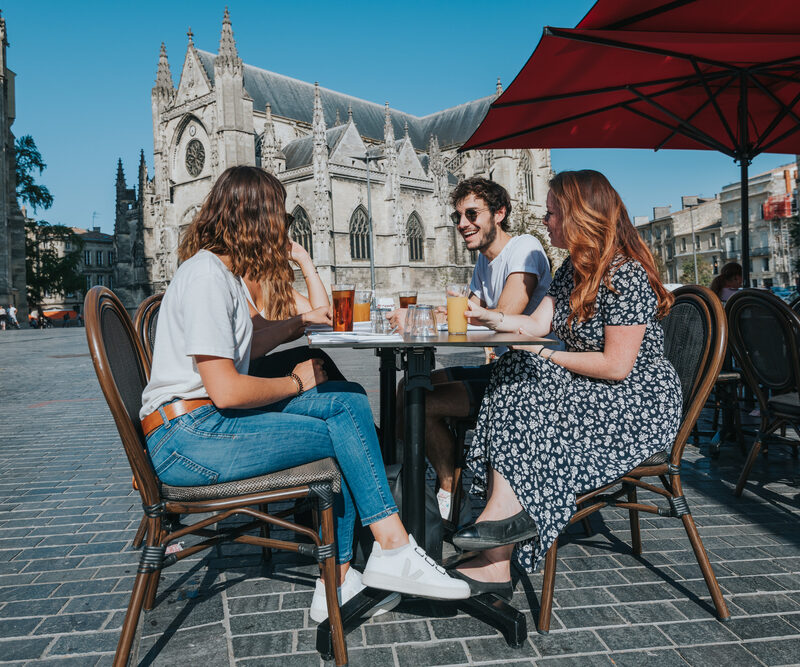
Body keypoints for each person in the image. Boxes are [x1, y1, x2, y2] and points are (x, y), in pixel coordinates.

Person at [139, 166, 469, 622]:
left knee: (348, 401)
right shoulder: (206, 278)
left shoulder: (221, 275)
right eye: (279, 215)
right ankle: (379, 556)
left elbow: (247, 345)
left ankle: (350, 572)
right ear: (254, 217)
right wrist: (296, 383)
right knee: (343, 429)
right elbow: (228, 391)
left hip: (199, 427)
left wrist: (299, 323)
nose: (284, 225)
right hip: (188, 439)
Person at [448, 170, 682, 600]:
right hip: (590, 387)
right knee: (515, 371)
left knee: (526, 372)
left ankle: (499, 526)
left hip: (635, 404)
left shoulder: (625, 273)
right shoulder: (573, 267)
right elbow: (536, 324)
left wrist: (544, 354)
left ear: (579, 215)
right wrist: (490, 318)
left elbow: (616, 366)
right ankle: (501, 530)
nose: (544, 219)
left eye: (552, 212)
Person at [389, 177, 551, 523]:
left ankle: (449, 492)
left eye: (472, 214)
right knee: (408, 388)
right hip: (503, 369)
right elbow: (463, 316)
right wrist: (419, 316)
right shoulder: (483, 262)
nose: (463, 224)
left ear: (500, 213)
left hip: (531, 377)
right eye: (457, 217)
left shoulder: (525, 248)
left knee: (425, 402)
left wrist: (426, 316)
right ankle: (414, 482)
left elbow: (502, 316)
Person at [240, 217, 347, 383]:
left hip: (254, 368)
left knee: (317, 360)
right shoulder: (235, 280)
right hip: (239, 375)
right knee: (314, 357)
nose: (287, 241)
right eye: (280, 236)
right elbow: (261, 329)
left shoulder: (271, 282)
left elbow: (321, 314)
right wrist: (303, 321)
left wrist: (304, 259)